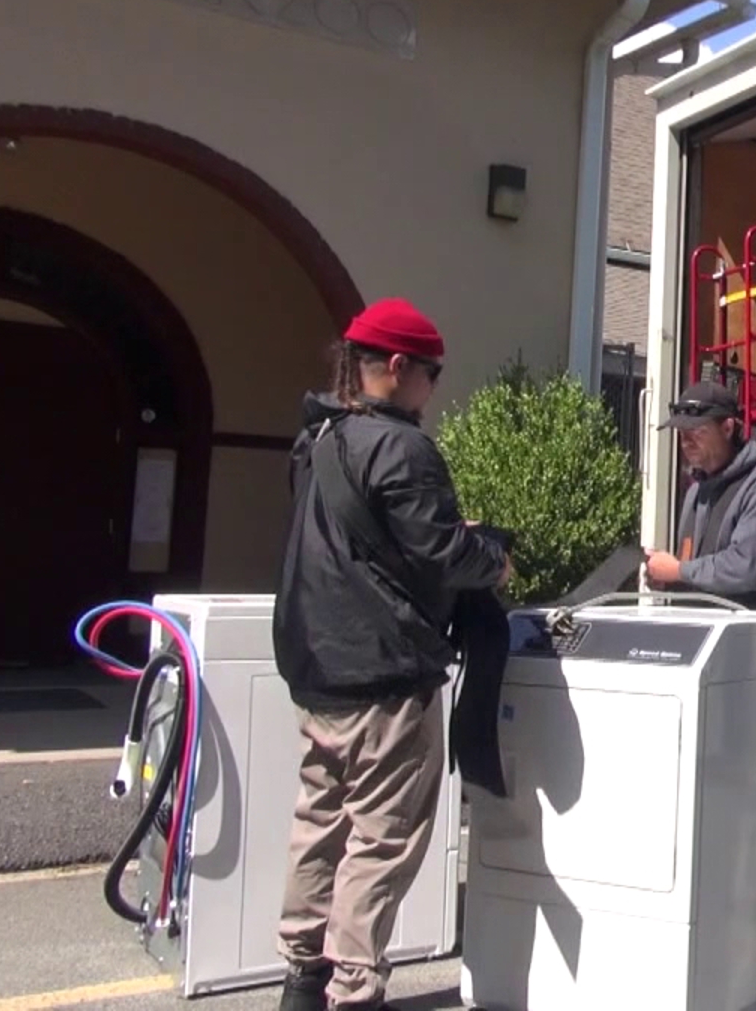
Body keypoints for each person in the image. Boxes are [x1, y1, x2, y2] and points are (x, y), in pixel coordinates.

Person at [270, 298, 512, 1011]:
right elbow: (444, 555)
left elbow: (356, 548)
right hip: (386, 674)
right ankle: (356, 991)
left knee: (319, 823)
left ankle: (300, 979)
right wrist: (491, 558)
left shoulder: (318, 440)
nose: (433, 389)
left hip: (319, 670)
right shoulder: (401, 447)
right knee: (381, 841)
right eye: (432, 374)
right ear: (399, 367)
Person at [643, 378, 756, 610]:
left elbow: (745, 568)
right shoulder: (696, 491)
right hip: (706, 635)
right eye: (681, 432)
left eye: (696, 431)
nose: (685, 442)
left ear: (727, 428)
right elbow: (693, 571)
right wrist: (668, 579)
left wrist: (678, 571)